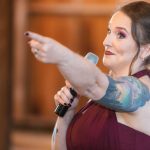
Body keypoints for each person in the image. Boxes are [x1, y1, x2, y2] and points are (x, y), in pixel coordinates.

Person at [25, 0, 150, 149]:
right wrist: (67, 115)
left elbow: (94, 83)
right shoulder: (98, 96)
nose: (106, 41)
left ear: (146, 50)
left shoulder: (141, 92)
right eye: (109, 31)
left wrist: (63, 57)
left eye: (121, 35)